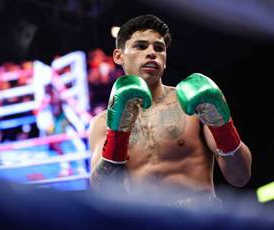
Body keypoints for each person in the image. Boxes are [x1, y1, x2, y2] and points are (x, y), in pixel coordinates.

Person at [89, 14, 252, 208]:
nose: (152, 53)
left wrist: (222, 127)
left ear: (165, 59)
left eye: (159, 48)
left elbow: (240, 177)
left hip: (199, 220)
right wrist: (117, 135)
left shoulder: (193, 106)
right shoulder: (102, 123)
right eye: (140, 46)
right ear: (119, 56)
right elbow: (101, 190)